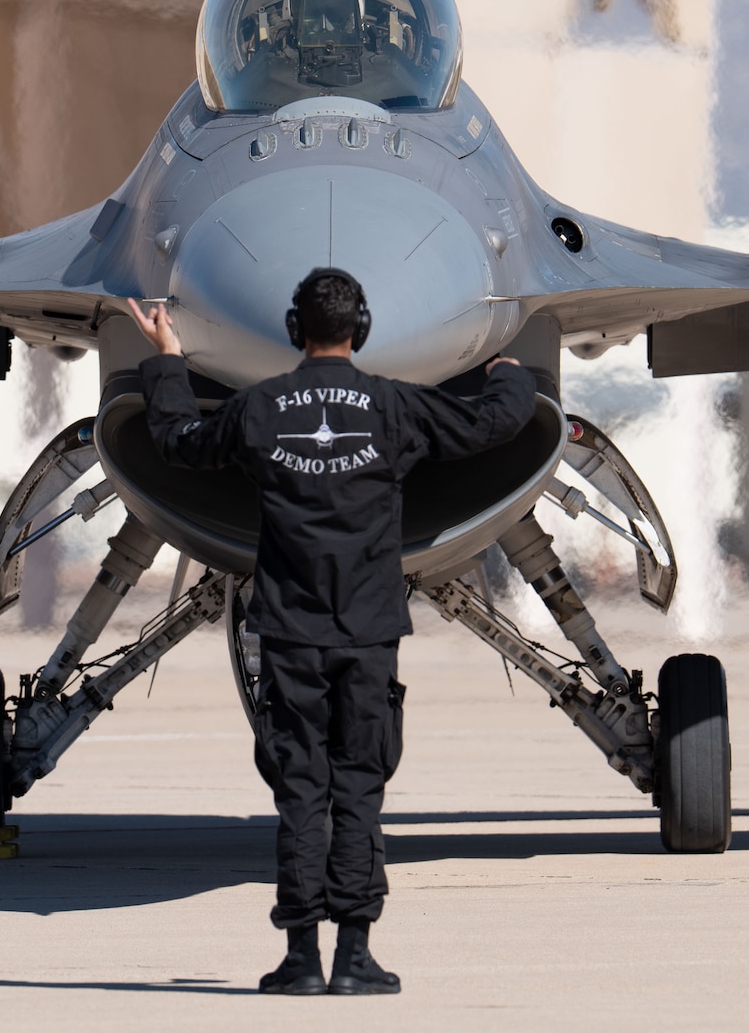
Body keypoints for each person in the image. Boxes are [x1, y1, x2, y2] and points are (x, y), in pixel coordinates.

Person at [125, 268, 535, 996]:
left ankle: (300, 959)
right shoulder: (393, 408)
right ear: (363, 327)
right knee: (359, 789)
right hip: (368, 632)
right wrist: (510, 371)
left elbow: (179, 439)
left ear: (293, 329)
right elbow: (488, 426)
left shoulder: (258, 409)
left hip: (290, 630)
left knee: (300, 791)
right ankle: (355, 956)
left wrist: (166, 360)